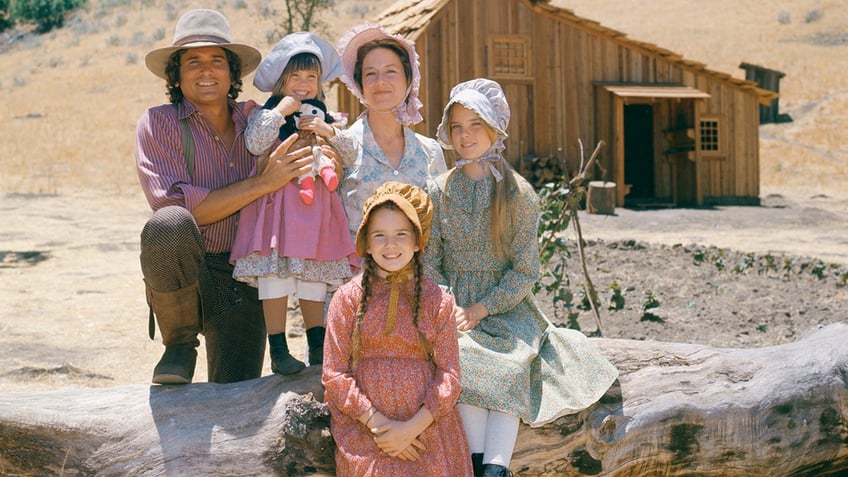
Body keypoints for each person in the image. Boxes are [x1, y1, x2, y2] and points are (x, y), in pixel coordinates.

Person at [424, 79, 619, 477]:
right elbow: (430, 261)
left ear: (495, 129)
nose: (465, 135)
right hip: (453, 305)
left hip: (506, 305)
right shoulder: (439, 191)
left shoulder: (517, 194)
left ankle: (495, 467)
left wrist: (483, 307)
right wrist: (450, 305)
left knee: (512, 363)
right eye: (458, 126)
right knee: (464, 357)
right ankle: (479, 464)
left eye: (475, 125)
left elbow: (525, 270)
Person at [135, 9, 316, 384]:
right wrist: (261, 184)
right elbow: (178, 208)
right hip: (190, 265)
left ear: (233, 73)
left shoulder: (257, 120)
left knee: (235, 397)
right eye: (193, 61)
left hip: (244, 273)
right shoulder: (158, 123)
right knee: (168, 224)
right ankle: (179, 345)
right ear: (176, 75)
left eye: (217, 60)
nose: (206, 70)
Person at [322, 182, 473, 477]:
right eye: (380, 235)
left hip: (428, 427)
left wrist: (410, 429)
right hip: (366, 429)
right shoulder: (347, 299)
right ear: (365, 242)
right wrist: (382, 427)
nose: (390, 245)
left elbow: (449, 375)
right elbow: (335, 374)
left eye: (401, 234)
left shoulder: (437, 301)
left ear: (418, 242)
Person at [229, 32, 356, 375]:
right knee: (275, 277)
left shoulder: (326, 117)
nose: (302, 84)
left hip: (316, 211)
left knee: (313, 277)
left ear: (319, 82)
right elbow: (255, 144)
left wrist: (328, 132)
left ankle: (318, 346)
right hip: (277, 209)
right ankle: (279, 349)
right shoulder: (267, 112)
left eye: (310, 77)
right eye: (295, 77)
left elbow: (351, 154)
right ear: (281, 80)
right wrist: (283, 108)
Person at [333, 23, 447, 241]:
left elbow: (441, 226)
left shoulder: (430, 151)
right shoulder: (342, 145)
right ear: (360, 85)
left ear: (408, 81)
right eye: (370, 74)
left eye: (391, 71)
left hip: (420, 273)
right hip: (358, 273)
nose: (380, 81)